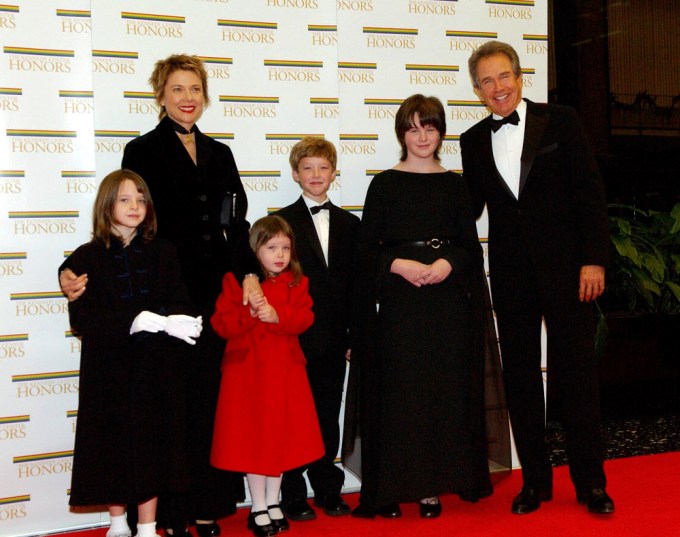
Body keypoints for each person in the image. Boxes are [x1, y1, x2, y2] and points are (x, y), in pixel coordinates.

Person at [60, 54, 262, 536]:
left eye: (195, 88)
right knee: (171, 408)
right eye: (177, 89)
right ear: (160, 95)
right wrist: (69, 271)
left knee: (211, 402)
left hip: (215, 299)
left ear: (205, 96)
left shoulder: (222, 153)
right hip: (165, 300)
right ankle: (169, 514)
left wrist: (249, 274)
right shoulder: (142, 150)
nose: (187, 97)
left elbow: (236, 225)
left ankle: (209, 505)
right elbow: (122, 229)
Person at [459, 40, 615, 515]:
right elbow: (469, 211)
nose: (497, 87)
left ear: (520, 77)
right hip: (510, 276)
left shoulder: (561, 119)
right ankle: (536, 483)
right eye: (486, 81)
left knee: (577, 380)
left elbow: (589, 192)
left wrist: (594, 259)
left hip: (570, 271)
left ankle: (590, 483)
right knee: (522, 381)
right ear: (477, 89)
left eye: (503, 76)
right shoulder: (470, 140)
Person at [343, 94, 510, 519]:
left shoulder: (455, 184)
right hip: (401, 304)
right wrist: (397, 264)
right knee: (402, 396)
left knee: (443, 394)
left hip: (447, 301)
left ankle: (431, 488)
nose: (422, 136)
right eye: (413, 127)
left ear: (441, 132)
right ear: (401, 132)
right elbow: (365, 252)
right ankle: (397, 486)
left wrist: (445, 263)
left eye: (430, 127)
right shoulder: (384, 184)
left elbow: (471, 250)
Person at [66, 169, 203, 537]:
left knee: (153, 445)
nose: (135, 206)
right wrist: (132, 320)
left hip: (155, 369)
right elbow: (82, 317)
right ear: (107, 204)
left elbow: (179, 301)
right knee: (111, 443)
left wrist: (180, 322)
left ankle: (147, 526)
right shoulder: (85, 257)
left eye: (141, 200)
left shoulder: (164, 251)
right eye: (125, 199)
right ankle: (117, 522)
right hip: (107, 370)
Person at [210, 215, 325, 537]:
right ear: (254, 251)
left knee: (280, 439)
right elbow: (221, 324)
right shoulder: (236, 283)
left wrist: (279, 316)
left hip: (285, 373)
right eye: (271, 247)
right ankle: (257, 505)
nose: (279, 254)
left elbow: (305, 318)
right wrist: (248, 313)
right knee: (253, 441)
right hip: (247, 376)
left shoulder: (297, 282)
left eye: (285, 248)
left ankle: (273, 501)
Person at [273, 137, 360, 521]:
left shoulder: (350, 224)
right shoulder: (280, 223)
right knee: (292, 417)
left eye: (323, 168)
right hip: (292, 339)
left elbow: (358, 288)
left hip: (334, 340)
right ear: (295, 174)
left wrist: (354, 336)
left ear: (334, 173)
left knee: (327, 415)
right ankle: (291, 492)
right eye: (307, 168)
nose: (315, 175)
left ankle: (327, 488)